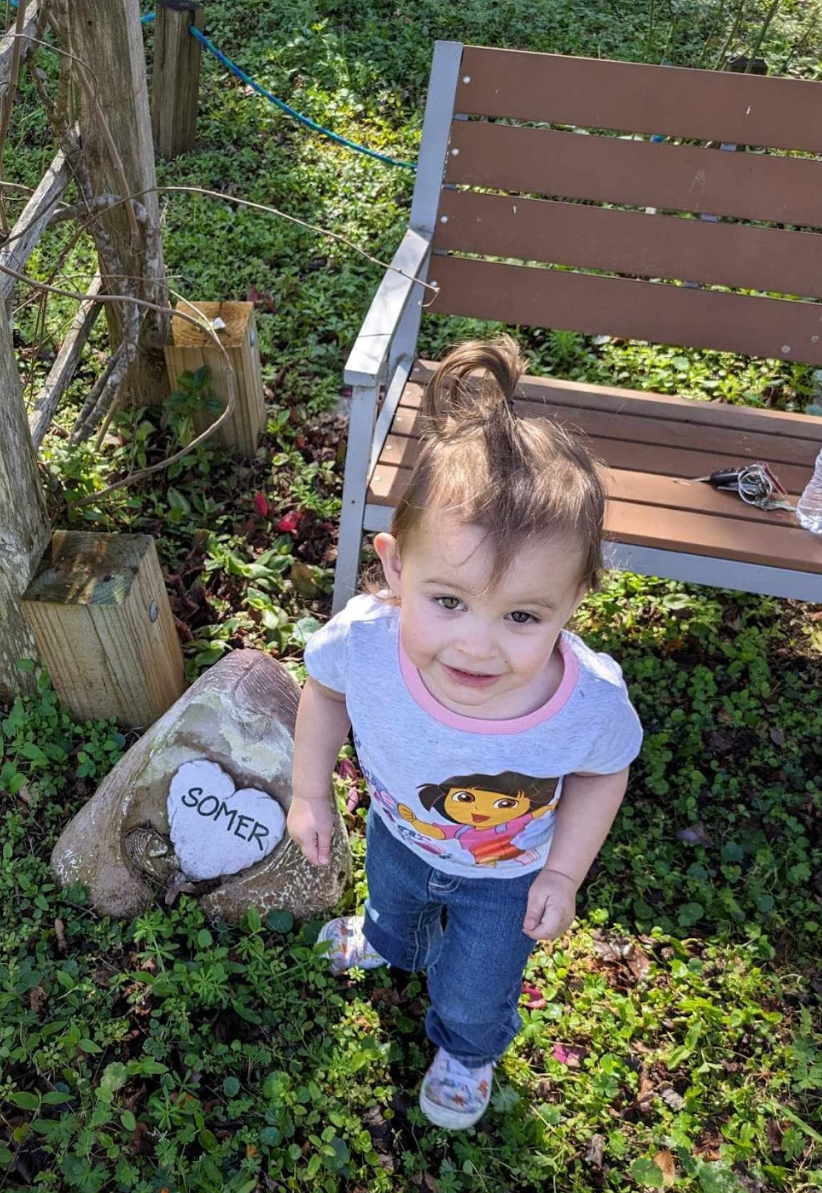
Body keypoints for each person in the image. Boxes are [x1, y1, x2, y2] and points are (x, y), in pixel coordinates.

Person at [288, 336, 643, 1131]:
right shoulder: (367, 642)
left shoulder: (585, 702)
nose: (477, 645)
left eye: (522, 616)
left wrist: (563, 874)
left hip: (507, 875)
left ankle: (466, 1048)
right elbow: (325, 689)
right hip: (397, 829)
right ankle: (387, 940)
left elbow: (604, 772)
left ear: (574, 600)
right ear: (395, 568)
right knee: (393, 905)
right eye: (449, 601)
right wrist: (308, 788)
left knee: (479, 981)